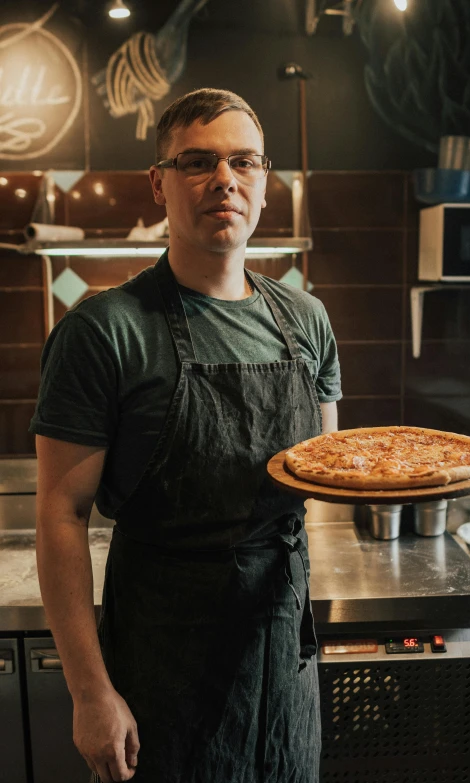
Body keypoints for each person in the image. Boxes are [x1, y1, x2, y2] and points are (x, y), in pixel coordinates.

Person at [30, 87, 342, 783]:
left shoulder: (307, 319)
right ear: (158, 182)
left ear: (266, 182)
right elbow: (60, 513)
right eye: (197, 161)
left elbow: (329, 469)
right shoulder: (103, 329)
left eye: (243, 162)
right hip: (159, 676)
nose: (224, 179)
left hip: (281, 663)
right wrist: (90, 692)